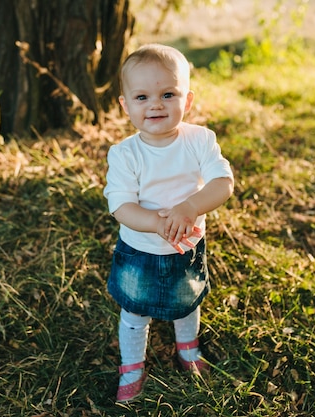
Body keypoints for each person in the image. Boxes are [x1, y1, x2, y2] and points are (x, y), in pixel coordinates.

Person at [103, 43, 234, 403]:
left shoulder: (199, 140)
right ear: (125, 105)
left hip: (186, 248)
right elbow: (120, 205)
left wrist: (191, 206)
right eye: (142, 97)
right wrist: (154, 223)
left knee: (186, 301)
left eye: (168, 94)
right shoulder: (125, 153)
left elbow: (223, 183)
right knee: (134, 309)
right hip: (139, 249)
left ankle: (187, 347)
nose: (155, 104)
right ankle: (132, 365)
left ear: (187, 100)